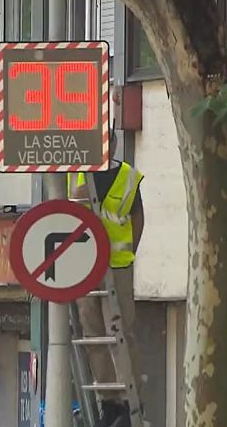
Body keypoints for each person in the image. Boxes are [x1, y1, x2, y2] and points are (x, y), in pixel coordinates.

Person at [67, 130, 144, 427]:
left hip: (117, 266)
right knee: (92, 335)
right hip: (85, 267)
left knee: (122, 332)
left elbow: (138, 218)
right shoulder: (75, 175)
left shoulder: (127, 177)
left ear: (112, 144)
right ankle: (109, 402)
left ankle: (130, 401)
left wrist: (128, 253)